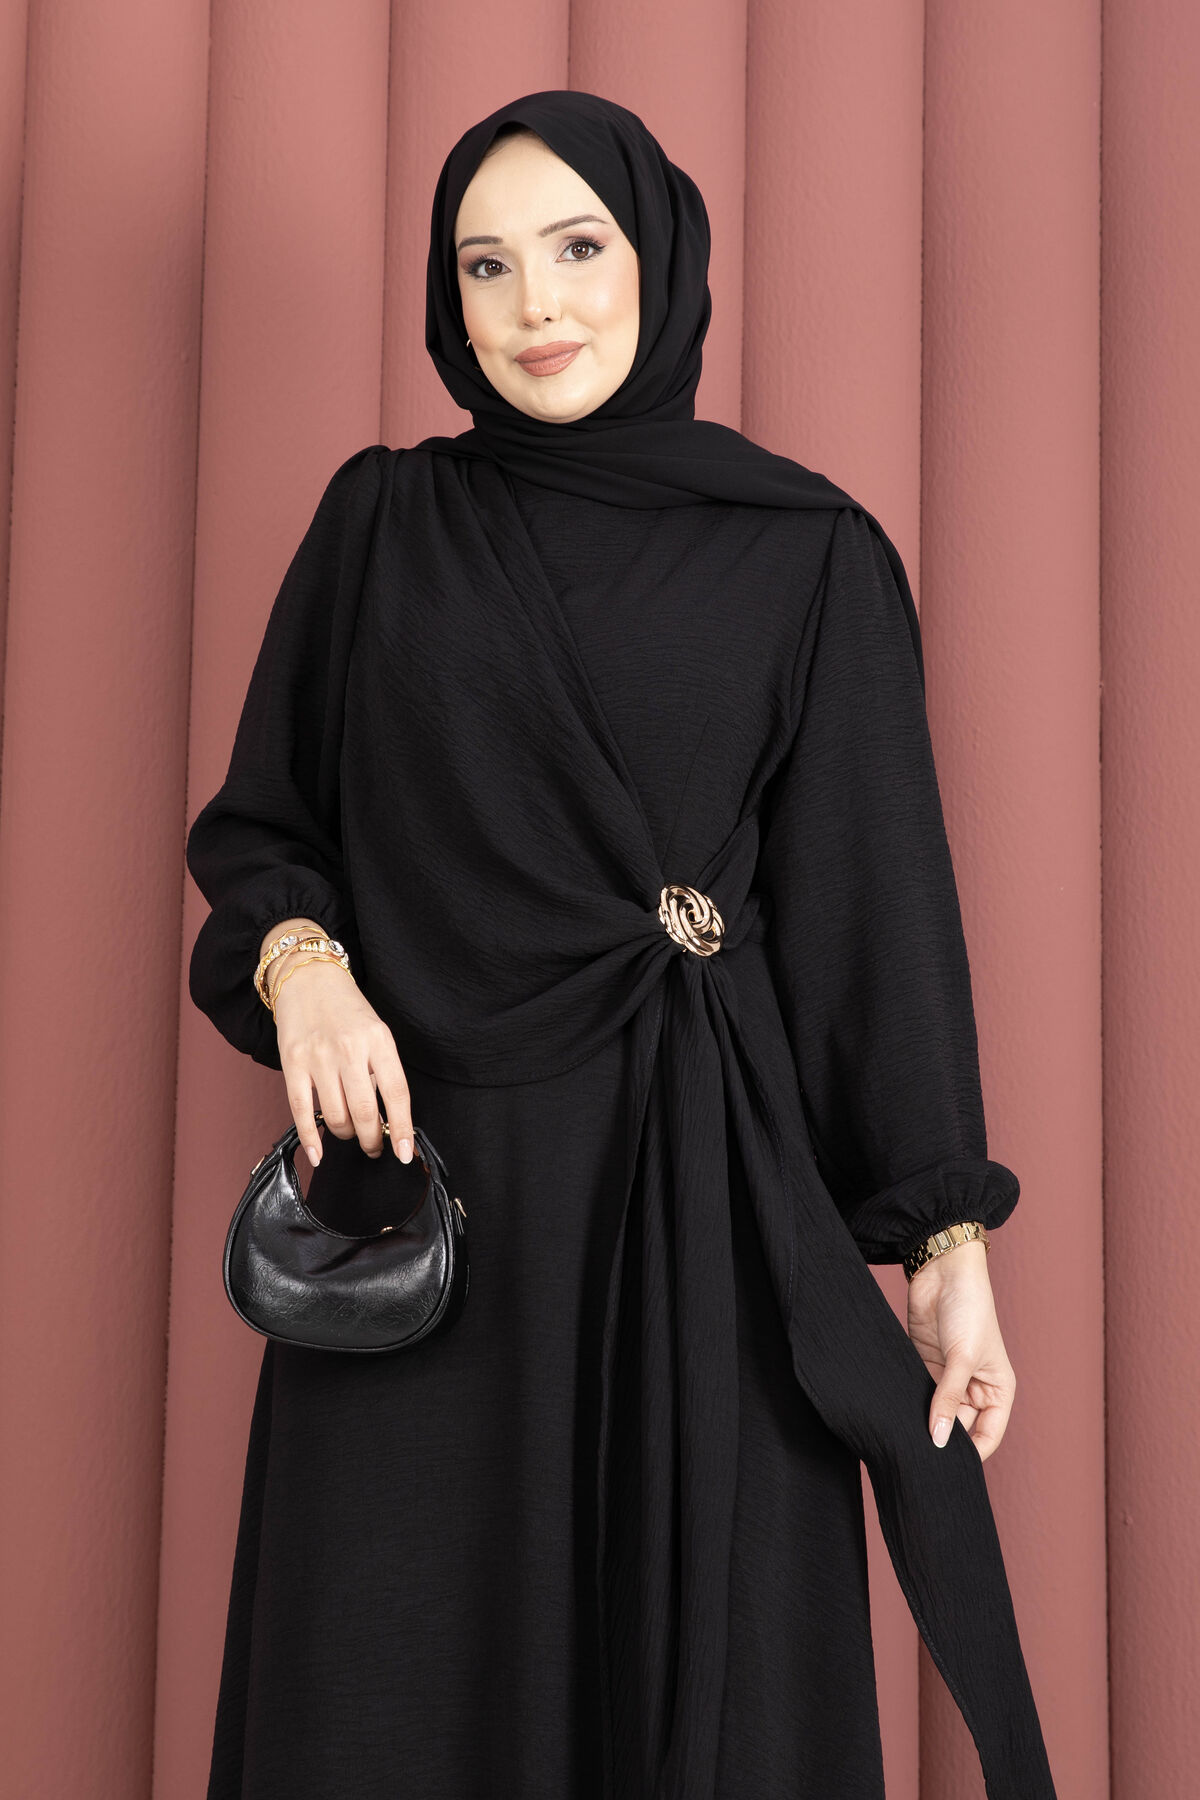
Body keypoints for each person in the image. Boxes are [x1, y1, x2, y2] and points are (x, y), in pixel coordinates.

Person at [186, 89, 1057, 1800]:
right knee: (388, 1702)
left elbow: (876, 918)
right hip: (423, 1227)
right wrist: (307, 967)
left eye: (577, 248)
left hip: (697, 1226)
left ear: (659, 257)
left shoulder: (808, 554)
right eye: (486, 265)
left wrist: (945, 1243)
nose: (537, 307)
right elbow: (265, 831)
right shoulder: (383, 525)